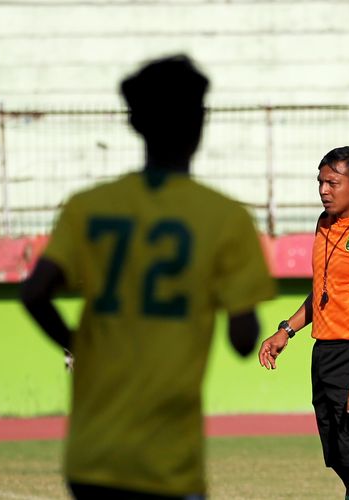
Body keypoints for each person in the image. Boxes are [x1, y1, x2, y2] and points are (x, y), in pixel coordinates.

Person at [20, 55, 275, 499]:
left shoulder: (88, 207)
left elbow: (34, 292)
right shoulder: (225, 218)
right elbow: (241, 338)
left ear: (136, 123)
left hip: (93, 454)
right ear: (200, 122)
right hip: (168, 461)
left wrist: (77, 341)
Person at [259, 146, 349, 500]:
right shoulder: (323, 225)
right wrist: (287, 330)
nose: (324, 190)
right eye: (320, 181)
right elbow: (322, 294)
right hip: (323, 355)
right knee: (342, 461)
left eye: (332, 182)